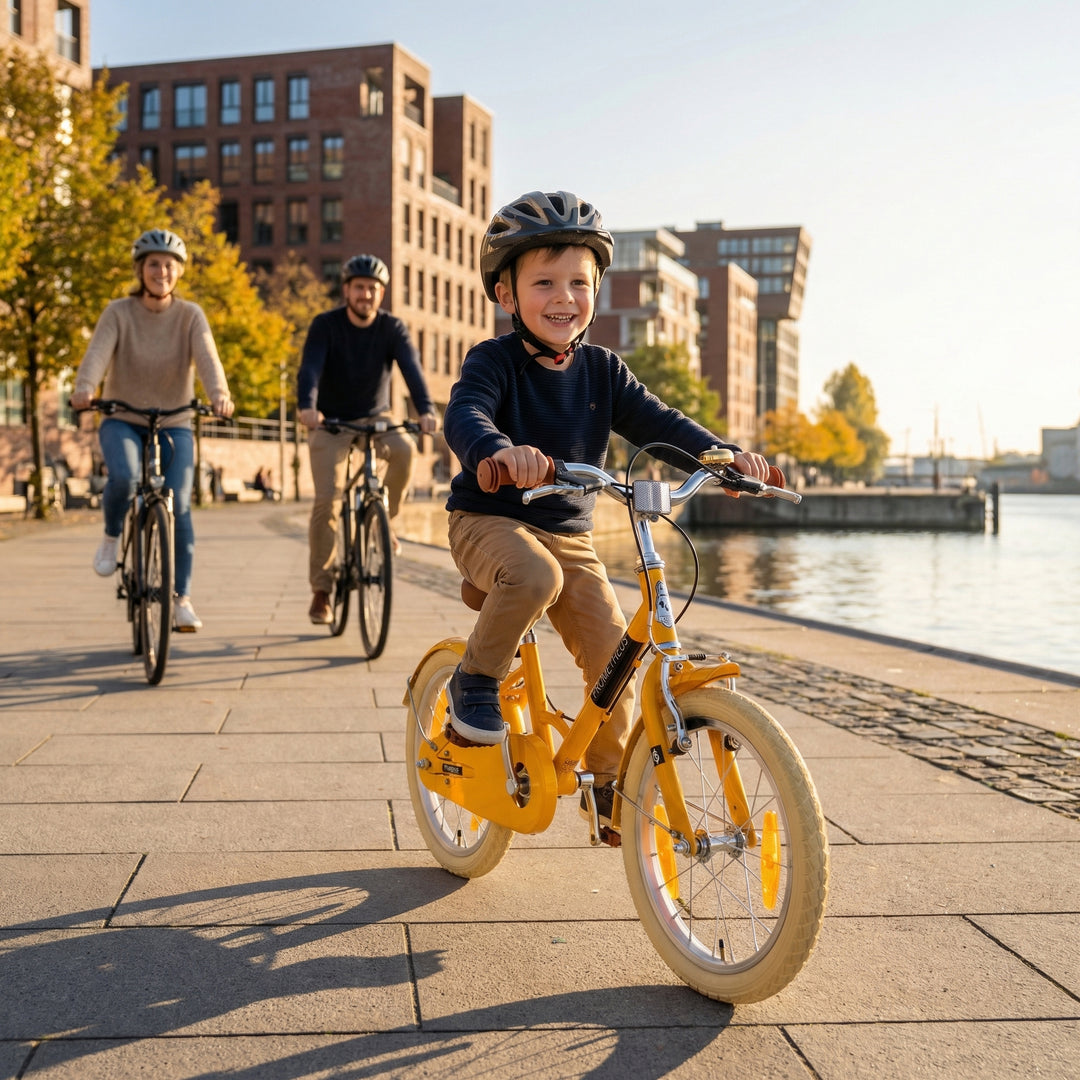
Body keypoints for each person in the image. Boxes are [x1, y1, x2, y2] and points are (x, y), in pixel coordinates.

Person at [441, 191, 773, 828]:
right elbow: (467, 411)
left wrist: (722, 457)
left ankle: (610, 785)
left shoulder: (602, 371)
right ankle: (474, 681)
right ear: (506, 294)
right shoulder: (492, 360)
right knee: (535, 575)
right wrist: (497, 450)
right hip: (488, 519)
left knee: (615, 658)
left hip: (569, 533)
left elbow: (660, 423)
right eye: (544, 282)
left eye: (579, 282)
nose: (564, 297)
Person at [70, 228, 234, 632]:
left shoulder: (190, 315)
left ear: (180, 271)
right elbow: (97, 354)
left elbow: (208, 358)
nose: (162, 272)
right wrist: (85, 388)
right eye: (154, 264)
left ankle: (181, 600)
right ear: (140, 270)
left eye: (169, 265)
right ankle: (111, 537)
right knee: (125, 478)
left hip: (174, 421)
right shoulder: (118, 312)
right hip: (123, 418)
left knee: (179, 505)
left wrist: (220, 395)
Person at [297, 253, 438, 625]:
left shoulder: (392, 328)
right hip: (331, 421)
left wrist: (425, 409)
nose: (366, 294)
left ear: (382, 293)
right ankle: (322, 590)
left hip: (377, 416)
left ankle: (383, 523)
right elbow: (310, 369)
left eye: (373, 288)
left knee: (405, 450)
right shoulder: (326, 325)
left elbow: (411, 369)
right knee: (328, 500)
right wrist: (307, 406)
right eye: (359, 287)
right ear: (346, 290)